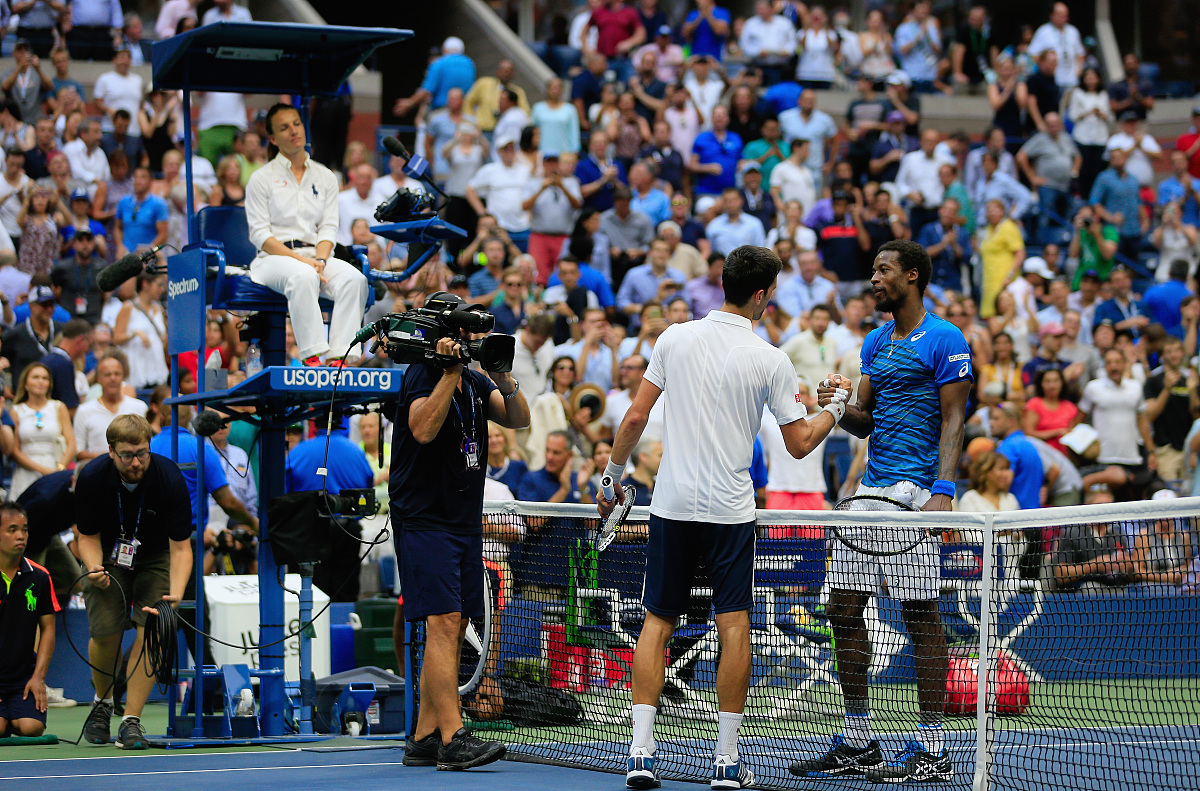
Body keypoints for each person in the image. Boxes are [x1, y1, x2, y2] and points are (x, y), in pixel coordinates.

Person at [598, 244, 839, 790]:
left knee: (657, 621)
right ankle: (726, 762)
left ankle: (640, 752)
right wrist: (838, 407)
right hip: (730, 512)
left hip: (673, 504)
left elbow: (636, 416)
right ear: (760, 295)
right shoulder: (770, 358)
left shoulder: (674, 337)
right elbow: (800, 444)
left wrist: (611, 478)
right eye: (772, 291)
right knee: (735, 625)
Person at [801, 239, 972, 784]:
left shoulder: (946, 338)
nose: (873, 279)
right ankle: (857, 741)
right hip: (869, 494)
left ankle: (933, 748)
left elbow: (954, 419)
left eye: (883, 271)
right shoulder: (875, 341)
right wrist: (831, 403)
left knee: (921, 615)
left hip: (918, 493)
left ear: (913, 276)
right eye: (873, 271)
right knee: (843, 611)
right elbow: (864, 421)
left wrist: (944, 488)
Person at [392, 290, 529, 770]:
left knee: (456, 623)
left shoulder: (473, 378)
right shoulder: (421, 374)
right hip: (425, 519)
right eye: (455, 331)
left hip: (463, 521)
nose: (464, 339)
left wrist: (501, 375)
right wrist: (448, 373)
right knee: (444, 622)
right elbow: (423, 429)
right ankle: (453, 737)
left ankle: (424, 733)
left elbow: (520, 418)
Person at [77, 415, 193, 750]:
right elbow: (86, 536)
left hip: (157, 554)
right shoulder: (93, 477)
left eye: (142, 452)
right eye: (127, 454)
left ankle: (131, 721)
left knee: (152, 629)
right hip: (109, 554)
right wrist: (94, 567)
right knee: (105, 629)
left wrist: (177, 591)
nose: (136, 462)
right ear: (111, 451)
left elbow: (182, 547)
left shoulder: (168, 476)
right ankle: (102, 702)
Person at [245, 103, 368, 367]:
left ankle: (340, 357)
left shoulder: (325, 176)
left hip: (317, 255)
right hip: (272, 258)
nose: (293, 131)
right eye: (284, 127)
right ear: (273, 138)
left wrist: (320, 261)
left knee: (354, 279)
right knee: (303, 276)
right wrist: (306, 263)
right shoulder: (261, 178)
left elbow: (328, 228)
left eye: (296, 124)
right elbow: (259, 235)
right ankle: (311, 357)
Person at [284, 417, 372, 601]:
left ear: (315, 424)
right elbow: (367, 486)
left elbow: (285, 491)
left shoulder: (299, 452)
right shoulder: (356, 451)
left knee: (310, 593)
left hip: (309, 531)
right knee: (345, 592)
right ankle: (343, 628)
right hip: (347, 530)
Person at [0, 501, 59, 738]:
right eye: (12, 530)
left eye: (24, 529)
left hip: (22, 676)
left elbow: (48, 629)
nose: (20, 536)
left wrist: (38, 678)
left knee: (31, 728)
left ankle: (12, 713)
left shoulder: (40, 577)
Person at [9, 362, 75, 500]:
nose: (41, 381)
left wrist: (59, 469)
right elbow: (14, 450)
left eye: (45, 378)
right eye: (36, 377)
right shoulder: (16, 411)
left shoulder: (58, 407)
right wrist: (42, 470)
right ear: (26, 384)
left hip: (55, 467)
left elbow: (71, 444)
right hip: (26, 471)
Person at [113, 272, 168, 390]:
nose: (161, 289)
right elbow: (116, 338)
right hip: (136, 371)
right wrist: (134, 333)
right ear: (145, 284)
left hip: (156, 368)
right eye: (158, 285)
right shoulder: (128, 307)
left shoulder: (159, 309)